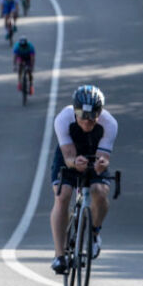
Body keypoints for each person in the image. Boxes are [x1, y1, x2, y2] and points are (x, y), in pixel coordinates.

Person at [49, 85, 118, 275]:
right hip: (69, 156)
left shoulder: (109, 124)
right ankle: (59, 255)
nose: (87, 121)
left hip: (94, 155)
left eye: (92, 116)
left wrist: (102, 164)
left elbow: (103, 156)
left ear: (100, 112)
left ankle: (94, 234)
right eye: (82, 115)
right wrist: (73, 162)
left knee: (100, 191)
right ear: (75, 110)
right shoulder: (63, 118)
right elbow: (68, 154)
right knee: (63, 196)